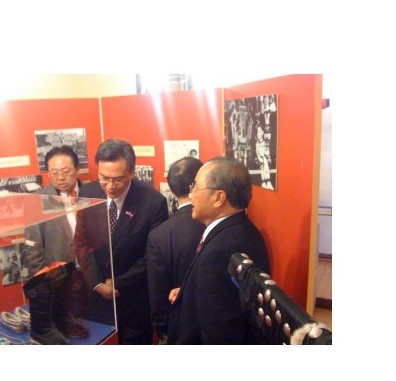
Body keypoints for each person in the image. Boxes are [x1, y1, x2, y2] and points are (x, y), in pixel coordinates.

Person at [167, 157, 270, 344]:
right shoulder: (244, 230)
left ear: (218, 198)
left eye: (195, 188)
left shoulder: (221, 251)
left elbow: (219, 331)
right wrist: (189, 289)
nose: (191, 195)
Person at [76, 138, 169, 344]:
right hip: (98, 293)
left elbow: (152, 255)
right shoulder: (88, 193)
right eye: (103, 178)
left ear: (132, 172)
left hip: (134, 297)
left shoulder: (153, 202)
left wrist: (118, 283)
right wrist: (97, 283)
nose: (110, 186)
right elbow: (82, 242)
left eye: (118, 179)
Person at [23, 145, 89, 344]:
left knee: (93, 324)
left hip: (90, 273)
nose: (60, 177)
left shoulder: (92, 193)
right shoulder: (37, 201)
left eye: (66, 171)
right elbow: (33, 247)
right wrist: (42, 281)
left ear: (77, 169)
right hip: (59, 277)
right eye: (54, 172)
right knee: (61, 325)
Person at [146, 156, 205, 344]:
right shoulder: (214, 224)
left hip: (177, 325)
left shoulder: (159, 235)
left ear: (172, 188)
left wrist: (162, 328)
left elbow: (157, 291)